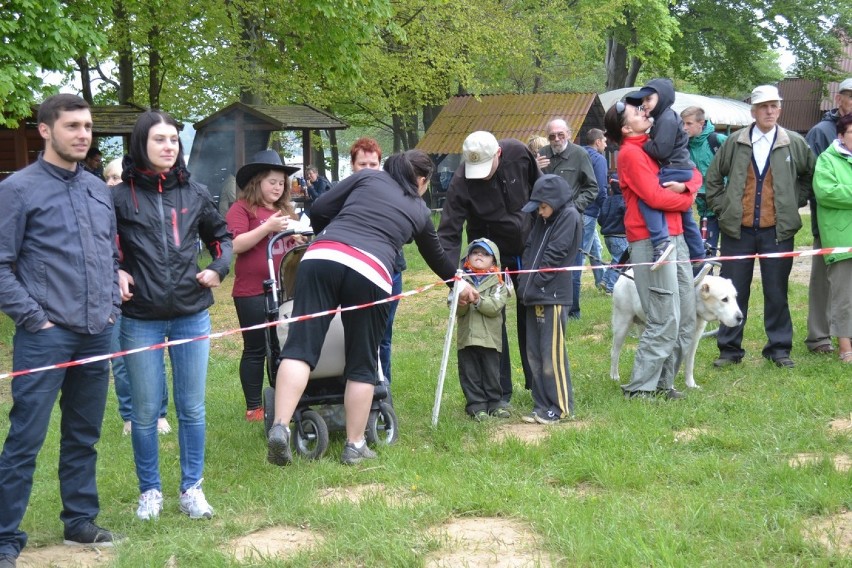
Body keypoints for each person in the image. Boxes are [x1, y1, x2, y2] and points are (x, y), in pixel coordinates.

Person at [266, 149, 478, 467]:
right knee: (363, 362)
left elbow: (321, 207)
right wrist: (458, 284)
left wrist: (330, 232)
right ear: (421, 180)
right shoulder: (419, 209)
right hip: (370, 271)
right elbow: (438, 258)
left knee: (299, 348)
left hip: (321, 257)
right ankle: (354, 445)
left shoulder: (367, 176)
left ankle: (280, 427)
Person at [0, 94, 124, 565]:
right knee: (25, 437)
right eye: (72, 126)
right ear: (45, 131)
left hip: (97, 331)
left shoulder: (96, 189)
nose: (82, 134)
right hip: (45, 334)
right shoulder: (17, 189)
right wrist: (36, 319)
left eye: (87, 126)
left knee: (84, 433)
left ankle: (79, 521)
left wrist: (111, 308)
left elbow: (110, 257)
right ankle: (5, 537)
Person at [114, 110, 233, 521]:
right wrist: (116, 269)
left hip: (191, 313)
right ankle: (150, 492)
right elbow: (103, 246)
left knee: (192, 408)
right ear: (141, 145)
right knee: (145, 412)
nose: (168, 147)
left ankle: (191, 489)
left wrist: (218, 268)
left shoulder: (195, 192)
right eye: (159, 140)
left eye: (173, 140)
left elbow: (222, 237)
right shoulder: (117, 196)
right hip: (140, 318)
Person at [705, 85, 815, 369]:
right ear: (753, 111)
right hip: (737, 231)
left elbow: (809, 175)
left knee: (777, 290)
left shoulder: (793, 142)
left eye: (774, 106)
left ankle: (778, 349)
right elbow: (713, 179)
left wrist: (794, 201)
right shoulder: (734, 142)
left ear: (780, 109)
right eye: (764, 106)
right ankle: (729, 350)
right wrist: (723, 208)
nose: (769, 111)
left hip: (777, 232)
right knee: (731, 289)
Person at [604, 99, 702, 400]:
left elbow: (692, 172)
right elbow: (654, 197)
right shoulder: (631, 154)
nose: (644, 112)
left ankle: (664, 382)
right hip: (649, 241)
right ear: (624, 127)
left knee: (685, 314)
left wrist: (687, 187)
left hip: (676, 237)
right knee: (663, 315)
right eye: (637, 112)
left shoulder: (655, 144)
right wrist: (688, 200)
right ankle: (640, 387)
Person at [438, 131, 541, 400]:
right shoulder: (462, 180)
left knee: (532, 312)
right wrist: (454, 281)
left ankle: (538, 382)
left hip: (529, 246)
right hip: (488, 255)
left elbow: (542, 189)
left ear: (498, 154)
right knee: (492, 319)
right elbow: (448, 232)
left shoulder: (518, 153)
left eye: (485, 167)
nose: (480, 175)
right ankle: (500, 391)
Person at [226, 150, 302, 422]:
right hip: (252, 291)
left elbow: (290, 244)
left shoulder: (285, 211)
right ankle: (254, 407)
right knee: (256, 348)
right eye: (272, 181)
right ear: (257, 182)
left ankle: (285, 399)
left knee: (285, 346)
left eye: (281, 182)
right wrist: (266, 227)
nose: (277, 187)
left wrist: (298, 241)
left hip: (285, 290)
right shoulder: (242, 208)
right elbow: (234, 245)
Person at [103, 158, 171, 436]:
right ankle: (130, 416)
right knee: (119, 359)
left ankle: (160, 414)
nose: (112, 183)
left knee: (151, 357)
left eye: (118, 178)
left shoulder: (141, 212)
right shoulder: (99, 216)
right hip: (110, 299)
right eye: (108, 177)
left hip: (143, 297)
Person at [517, 174, 582, 423]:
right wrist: (525, 285)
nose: (540, 213)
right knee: (534, 353)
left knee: (551, 354)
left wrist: (535, 283)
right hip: (533, 294)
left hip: (553, 295)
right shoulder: (543, 219)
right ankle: (541, 404)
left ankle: (560, 407)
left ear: (554, 201)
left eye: (542, 207)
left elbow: (555, 255)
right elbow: (530, 247)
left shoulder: (569, 216)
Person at [624, 79, 704, 270]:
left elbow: (661, 150)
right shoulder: (664, 118)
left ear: (663, 97)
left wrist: (645, 142)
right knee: (687, 217)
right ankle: (699, 255)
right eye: (643, 100)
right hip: (680, 167)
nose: (645, 104)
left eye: (649, 99)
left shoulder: (667, 119)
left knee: (647, 199)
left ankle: (660, 242)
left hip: (674, 168)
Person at [804, 77, 852, 355]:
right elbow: (815, 180)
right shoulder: (822, 131)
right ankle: (820, 337)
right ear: (839, 99)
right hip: (828, 220)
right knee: (824, 279)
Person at [348, 138, 401, 388]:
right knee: (352, 334)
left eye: (373, 163)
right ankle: (351, 385)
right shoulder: (341, 192)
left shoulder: (392, 192)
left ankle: (382, 388)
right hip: (352, 272)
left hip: (389, 271)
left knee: (383, 334)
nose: (368, 169)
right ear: (352, 165)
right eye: (362, 164)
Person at [538, 118, 599, 319]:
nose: (556, 139)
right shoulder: (542, 154)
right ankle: (549, 304)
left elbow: (592, 188)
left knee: (572, 267)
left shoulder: (579, 154)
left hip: (572, 223)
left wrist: (574, 208)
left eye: (560, 134)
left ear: (569, 134)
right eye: (552, 136)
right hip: (545, 222)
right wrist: (534, 167)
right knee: (546, 264)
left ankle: (573, 311)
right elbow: (532, 187)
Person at [455, 238, 510, 420]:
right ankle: (476, 406)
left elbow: (495, 306)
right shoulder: (460, 281)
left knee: (491, 373)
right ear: (467, 257)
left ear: (494, 261)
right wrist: (461, 302)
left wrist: (478, 300)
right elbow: (455, 308)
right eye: (475, 252)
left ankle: (495, 403)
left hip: (489, 339)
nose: (479, 256)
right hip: (467, 338)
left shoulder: (499, 282)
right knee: (470, 374)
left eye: (485, 254)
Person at [681, 106, 727, 256]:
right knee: (706, 249)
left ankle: (726, 278)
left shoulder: (717, 140)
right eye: (683, 124)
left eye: (688, 123)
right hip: (704, 208)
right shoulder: (684, 147)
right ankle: (708, 277)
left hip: (725, 206)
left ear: (701, 123)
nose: (684, 128)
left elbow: (737, 167)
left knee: (730, 251)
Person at [582, 128, 608, 290]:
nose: (606, 144)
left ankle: (601, 282)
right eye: (604, 141)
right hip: (590, 211)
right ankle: (571, 288)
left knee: (595, 248)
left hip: (578, 207)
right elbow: (600, 187)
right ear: (597, 142)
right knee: (580, 253)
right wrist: (606, 210)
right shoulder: (599, 159)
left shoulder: (579, 154)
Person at [597, 173, 629, 294]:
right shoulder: (624, 201)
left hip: (607, 237)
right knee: (620, 261)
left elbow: (600, 219)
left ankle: (604, 280)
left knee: (615, 259)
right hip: (619, 237)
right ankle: (611, 287)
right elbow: (627, 218)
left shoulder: (607, 201)